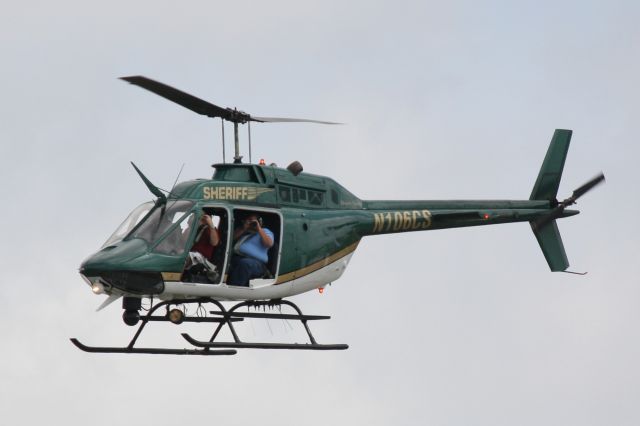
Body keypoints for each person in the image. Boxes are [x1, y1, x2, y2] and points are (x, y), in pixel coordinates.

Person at [228, 213, 274, 286]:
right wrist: (244, 228)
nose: (251, 222)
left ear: (259, 222)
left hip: (256, 263)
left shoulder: (265, 231)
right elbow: (231, 239)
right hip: (238, 257)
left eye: (253, 221)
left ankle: (234, 289)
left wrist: (259, 228)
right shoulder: (243, 231)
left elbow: (269, 244)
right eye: (249, 220)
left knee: (245, 263)